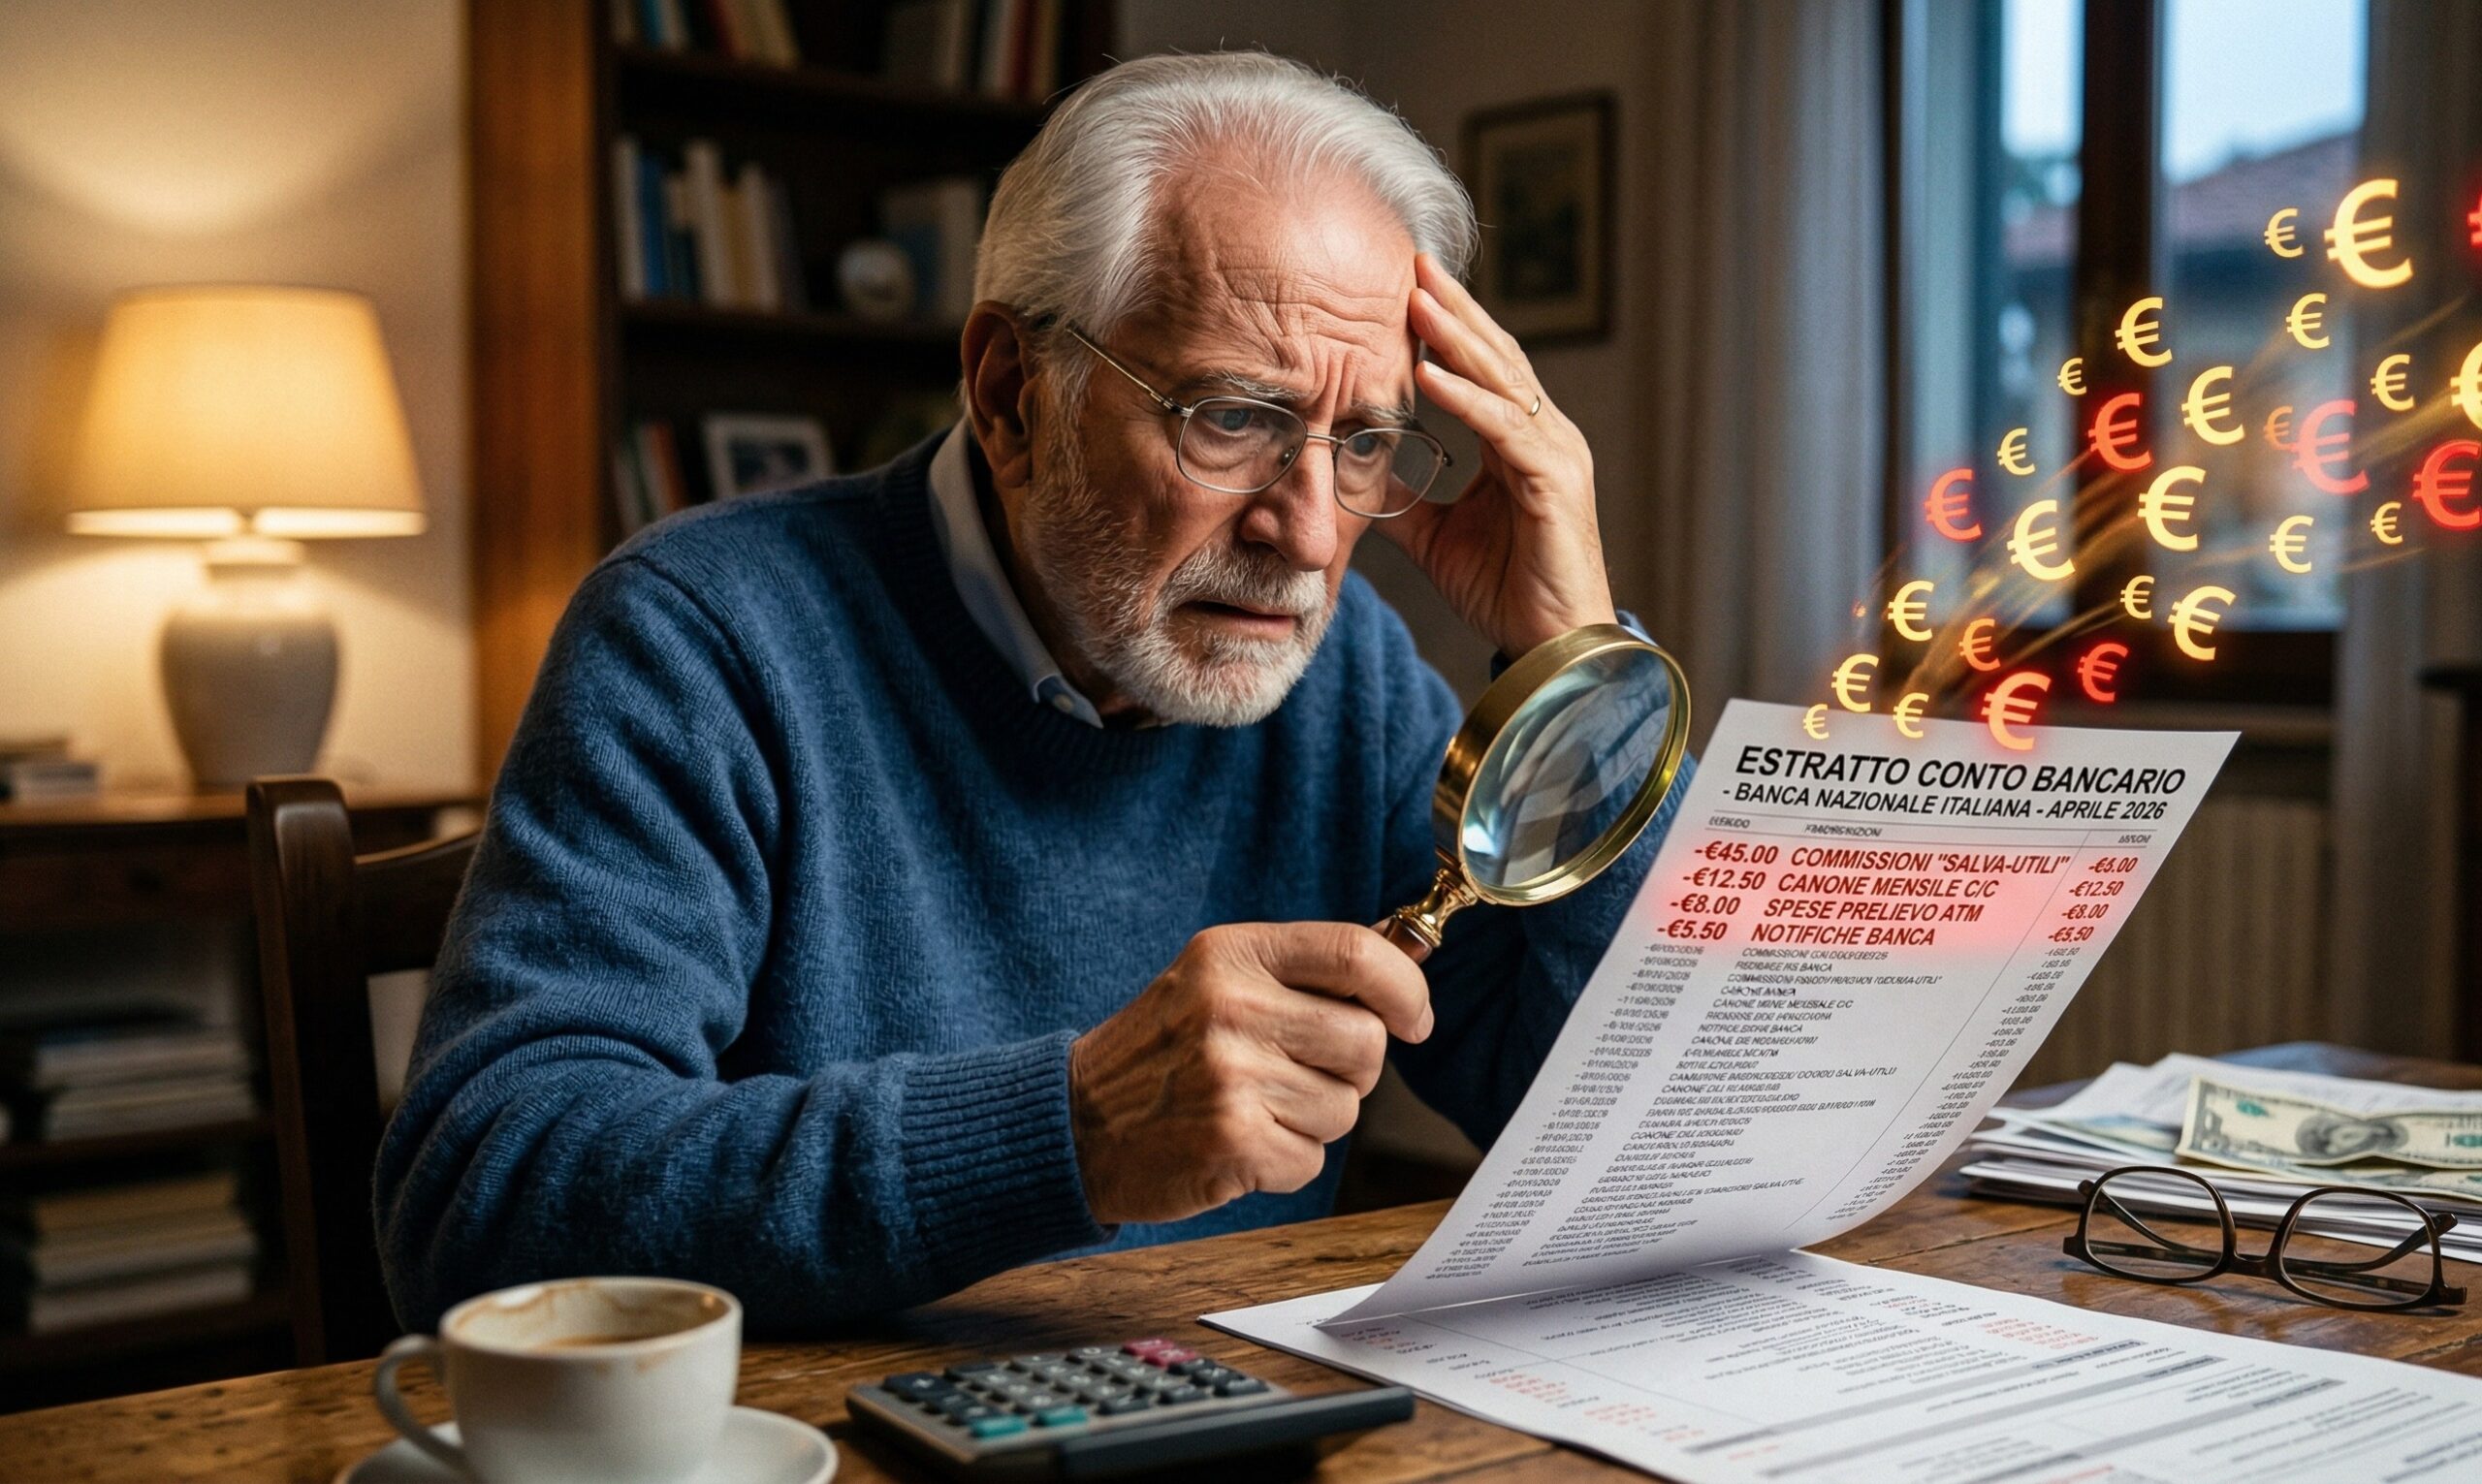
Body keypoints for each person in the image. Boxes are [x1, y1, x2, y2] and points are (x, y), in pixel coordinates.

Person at [376, 49, 1690, 1331]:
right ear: (1012, 394)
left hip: (1216, 1425)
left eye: (1363, 442)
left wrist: (1576, 670)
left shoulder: (1338, 680)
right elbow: (482, 1197)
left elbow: (1629, 1133)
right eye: (1232, 418)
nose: (1305, 530)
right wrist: (1075, 1128)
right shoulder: (704, 635)